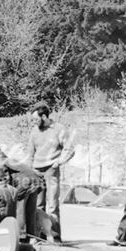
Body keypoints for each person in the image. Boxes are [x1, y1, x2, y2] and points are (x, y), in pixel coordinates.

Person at [25, 102, 74, 243]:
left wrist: (59, 161)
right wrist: (30, 171)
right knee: (37, 205)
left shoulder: (59, 129)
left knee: (52, 205)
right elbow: (30, 153)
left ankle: (55, 237)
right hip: (36, 171)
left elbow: (70, 148)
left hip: (51, 170)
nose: (34, 122)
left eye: (36, 119)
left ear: (44, 116)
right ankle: (39, 236)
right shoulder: (34, 131)